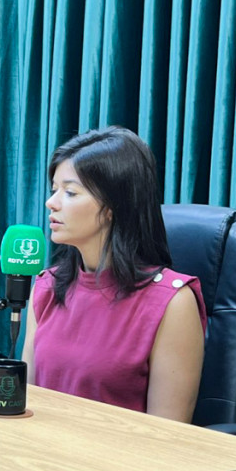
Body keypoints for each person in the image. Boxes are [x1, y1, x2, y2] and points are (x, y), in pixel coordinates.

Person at [21, 126, 206, 422]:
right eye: (54, 189)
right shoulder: (47, 285)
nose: (51, 202)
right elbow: (27, 402)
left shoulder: (173, 302)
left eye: (70, 192)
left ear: (112, 207)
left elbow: (168, 433)